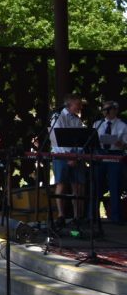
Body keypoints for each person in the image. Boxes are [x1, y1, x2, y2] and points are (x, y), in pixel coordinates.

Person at [49, 94, 85, 225]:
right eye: (78, 104)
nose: (80, 107)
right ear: (69, 104)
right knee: (61, 184)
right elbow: (56, 140)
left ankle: (77, 216)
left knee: (78, 185)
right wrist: (67, 156)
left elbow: (82, 140)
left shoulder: (77, 120)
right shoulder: (58, 117)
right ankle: (61, 215)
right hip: (61, 156)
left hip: (75, 156)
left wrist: (76, 155)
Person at [93, 100, 126, 224]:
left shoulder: (122, 125)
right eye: (104, 109)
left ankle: (116, 217)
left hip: (115, 155)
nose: (106, 112)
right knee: (96, 184)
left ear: (115, 110)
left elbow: (125, 145)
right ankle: (93, 216)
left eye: (109, 109)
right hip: (100, 154)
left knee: (115, 185)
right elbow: (92, 140)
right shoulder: (98, 124)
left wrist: (120, 144)